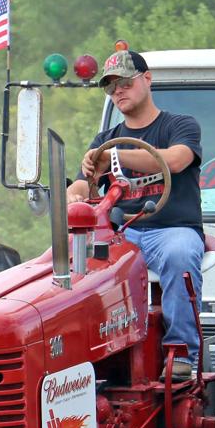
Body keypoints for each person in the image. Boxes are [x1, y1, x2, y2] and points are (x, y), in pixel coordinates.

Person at [66, 48, 204, 381]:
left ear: (146, 79)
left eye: (124, 83)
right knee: (74, 265)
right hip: (121, 235)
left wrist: (118, 156)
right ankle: (86, 358)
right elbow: (86, 185)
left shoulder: (179, 126)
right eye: (111, 88)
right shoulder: (104, 140)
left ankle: (181, 352)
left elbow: (174, 161)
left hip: (171, 228)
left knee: (180, 254)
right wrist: (74, 198)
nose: (118, 92)